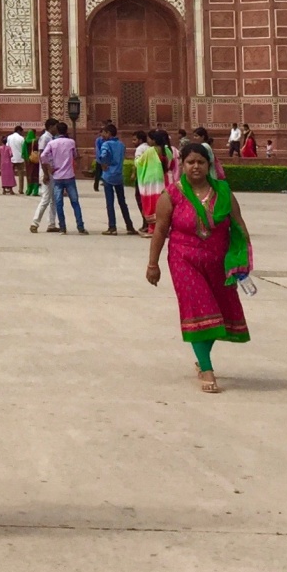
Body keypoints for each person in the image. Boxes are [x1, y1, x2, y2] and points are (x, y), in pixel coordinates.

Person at [144, 141, 252, 393]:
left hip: (218, 261)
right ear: (182, 165)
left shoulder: (223, 191)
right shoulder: (172, 194)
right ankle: (206, 368)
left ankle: (201, 356)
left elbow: (238, 225)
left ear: (209, 165)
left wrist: (242, 259)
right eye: (190, 162)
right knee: (199, 309)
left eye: (200, 162)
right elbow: (160, 230)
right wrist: (153, 264)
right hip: (184, 259)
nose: (195, 167)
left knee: (219, 313)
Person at [94, 123, 133, 236]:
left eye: (104, 132)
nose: (102, 135)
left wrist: (103, 163)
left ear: (109, 133)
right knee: (122, 202)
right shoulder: (121, 144)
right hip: (119, 175)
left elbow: (103, 156)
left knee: (110, 202)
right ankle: (129, 226)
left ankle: (112, 227)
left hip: (108, 175)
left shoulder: (106, 144)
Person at [133, 130, 165, 225]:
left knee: (150, 204)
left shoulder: (150, 150)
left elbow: (139, 162)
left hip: (150, 180)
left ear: (154, 140)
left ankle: (152, 227)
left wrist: (136, 160)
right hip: (162, 180)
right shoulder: (167, 149)